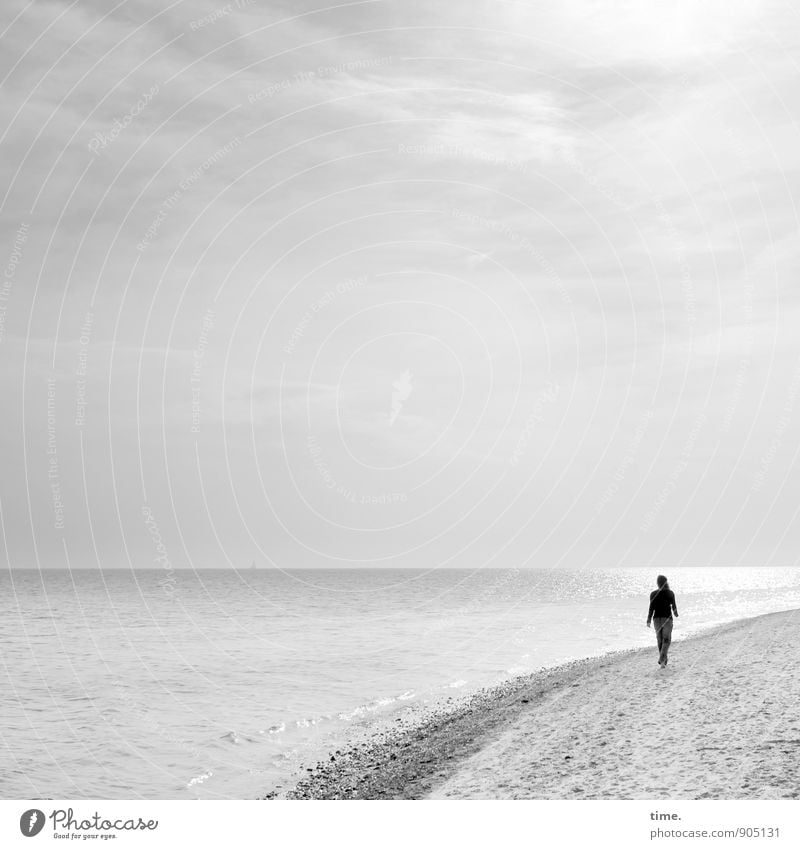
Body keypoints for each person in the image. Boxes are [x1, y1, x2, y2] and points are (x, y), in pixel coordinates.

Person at [646, 574, 678, 667]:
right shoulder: (670, 593)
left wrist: (648, 619)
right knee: (666, 640)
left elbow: (651, 608)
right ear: (666, 582)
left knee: (660, 640)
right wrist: (676, 614)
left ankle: (663, 662)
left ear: (658, 583)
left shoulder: (653, 594)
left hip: (656, 619)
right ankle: (662, 659)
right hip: (667, 619)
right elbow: (674, 606)